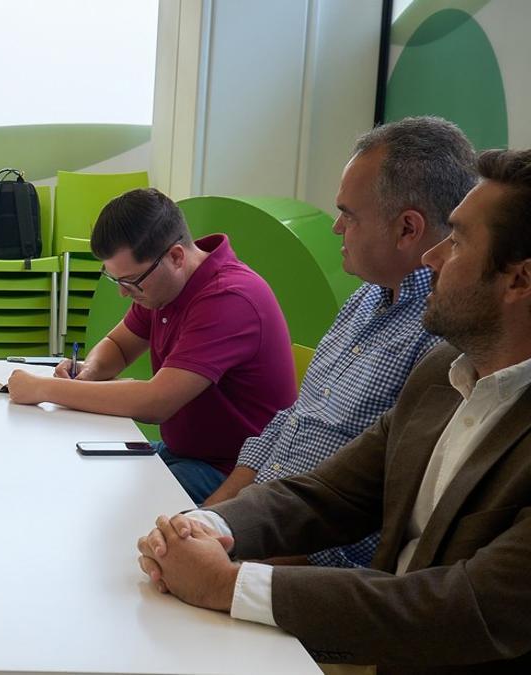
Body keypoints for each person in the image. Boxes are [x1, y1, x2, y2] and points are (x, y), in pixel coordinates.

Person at [136, 148, 531, 673]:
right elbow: (329, 494)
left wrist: (228, 583)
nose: (433, 257)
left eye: (456, 242)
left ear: (519, 280)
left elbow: (467, 607)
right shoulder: (444, 372)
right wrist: (206, 527)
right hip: (364, 635)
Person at [202, 116, 476, 570]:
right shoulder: (364, 297)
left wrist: (235, 576)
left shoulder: (443, 337)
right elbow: (291, 423)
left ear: (407, 229)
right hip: (255, 531)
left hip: (296, 569)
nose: (335, 228)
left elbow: (369, 515)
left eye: (348, 215)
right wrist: (205, 521)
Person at [6, 188, 295, 503]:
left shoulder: (228, 298)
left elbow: (155, 402)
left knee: (96, 499)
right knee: (73, 476)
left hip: (230, 471)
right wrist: (90, 371)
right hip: (183, 453)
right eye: (116, 280)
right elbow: (118, 345)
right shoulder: (162, 284)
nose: (124, 293)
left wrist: (44, 389)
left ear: (176, 257)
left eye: (130, 281)